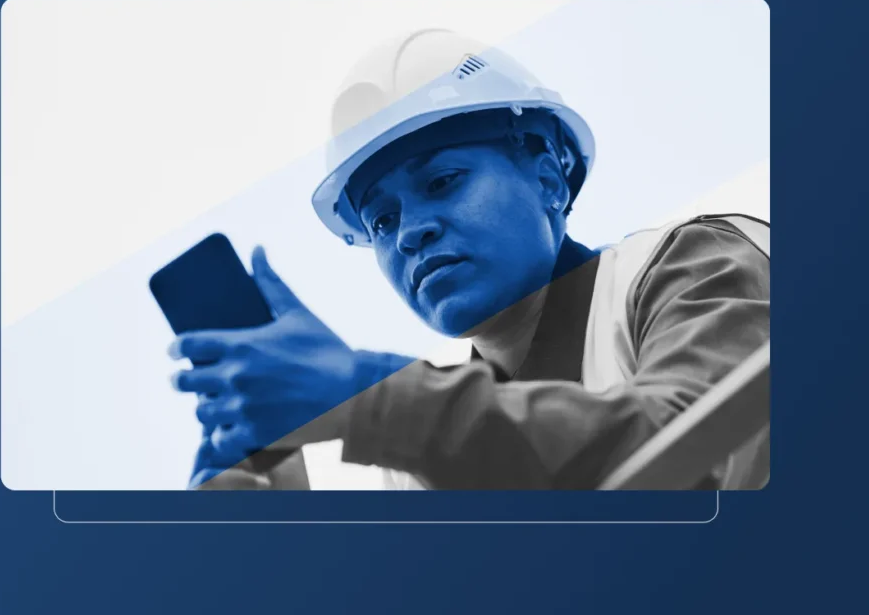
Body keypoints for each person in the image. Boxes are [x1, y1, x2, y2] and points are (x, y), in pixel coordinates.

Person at [169, 29, 770, 490]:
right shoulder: (413, 472)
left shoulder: (695, 263)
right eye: (383, 221)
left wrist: (364, 398)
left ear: (548, 179)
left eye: (442, 182)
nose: (410, 233)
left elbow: (701, 445)